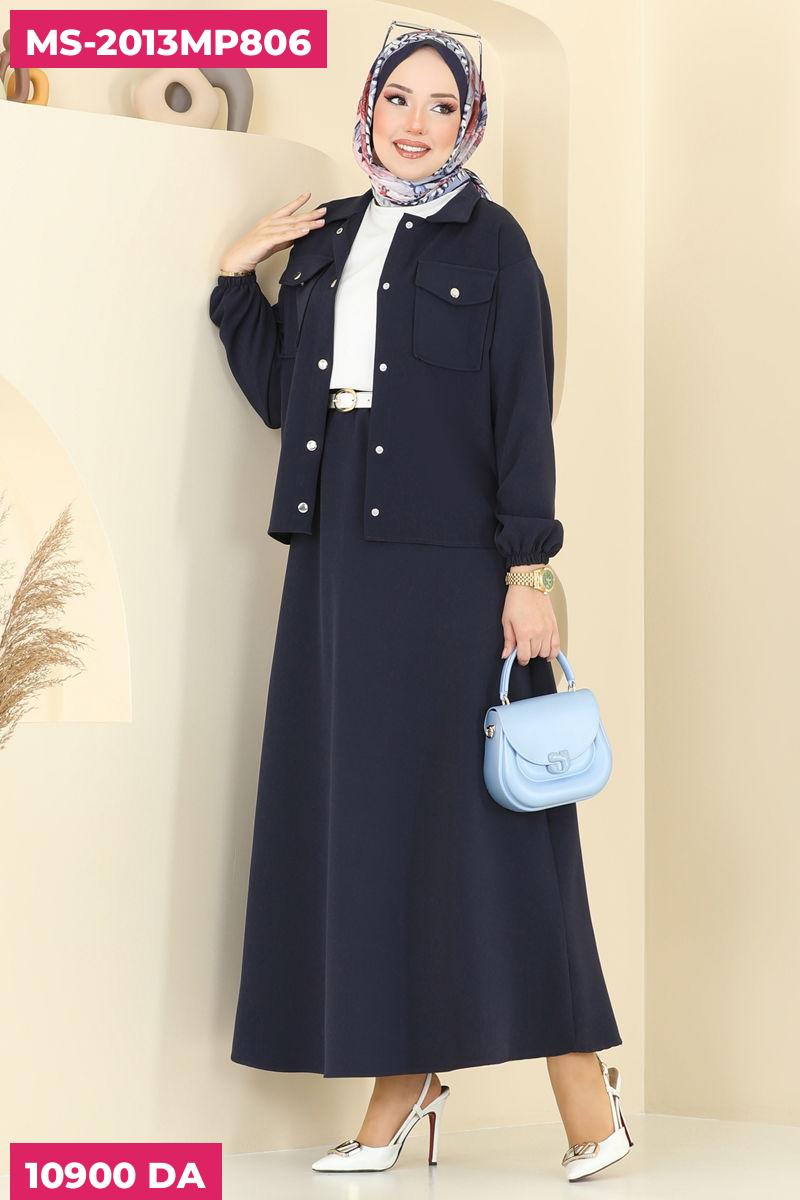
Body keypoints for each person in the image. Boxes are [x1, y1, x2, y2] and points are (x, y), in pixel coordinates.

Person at [209, 25, 633, 1181]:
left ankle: (584, 1094)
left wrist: (526, 571)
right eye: (398, 98)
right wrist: (235, 278)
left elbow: (519, 413)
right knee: (367, 826)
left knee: (491, 831)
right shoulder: (327, 238)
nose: (415, 122)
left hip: (452, 568)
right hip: (335, 564)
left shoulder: (495, 246)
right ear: (369, 108)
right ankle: (401, 1084)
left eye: (441, 106)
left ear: (467, 123)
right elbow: (281, 397)